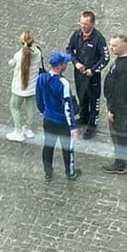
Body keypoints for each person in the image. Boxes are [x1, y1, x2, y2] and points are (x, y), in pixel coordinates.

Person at [36, 51, 80, 180]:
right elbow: (68, 107)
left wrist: (44, 111)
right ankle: (70, 172)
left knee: (48, 146)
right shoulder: (63, 83)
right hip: (62, 122)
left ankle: (48, 171)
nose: (66, 65)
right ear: (60, 66)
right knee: (67, 148)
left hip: (48, 119)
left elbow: (39, 98)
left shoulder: (41, 78)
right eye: (65, 63)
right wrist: (73, 127)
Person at [66, 11, 109, 140]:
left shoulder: (99, 38)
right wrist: (76, 63)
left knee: (93, 100)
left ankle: (92, 125)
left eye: (86, 24)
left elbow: (105, 58)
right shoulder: (77, 34)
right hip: (79, 74)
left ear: (93, 24)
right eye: (81, 23)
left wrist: (93, 70)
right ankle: (83, 117)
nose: (83, 26)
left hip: (92, 76)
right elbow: (69, 49)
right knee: (82, 96)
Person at [101, 34, 127, 174]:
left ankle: (120, 163)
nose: (111, 48)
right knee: (126, 126)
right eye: (111, 45)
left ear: (124, 45)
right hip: (126, 102)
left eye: (114, 45)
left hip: (119, 105)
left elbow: (121, 91)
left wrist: (112, 110)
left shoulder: (126, 67)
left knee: (118, 133)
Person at [5, 30, 42, 142]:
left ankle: (18, 131)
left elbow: (11, 64)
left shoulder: (18, 55)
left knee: (15, 107)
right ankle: (28, 129)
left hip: (19, 87)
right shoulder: (38, 53)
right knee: (31, 108)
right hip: (32, 86)